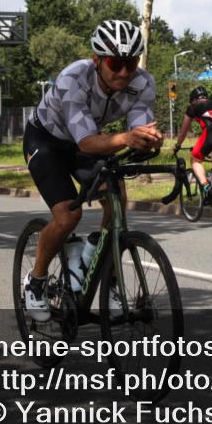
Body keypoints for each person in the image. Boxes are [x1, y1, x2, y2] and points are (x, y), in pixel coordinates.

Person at [22, 19, 163, 321]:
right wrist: (126, 138)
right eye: (115, 63)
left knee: (116, 199)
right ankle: (35, 281)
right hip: (46, 141)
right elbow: (86, 143)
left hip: (84, 142)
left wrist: (146, 141)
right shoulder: (74, 78)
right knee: (68, 215)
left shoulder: (143, 83)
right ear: (97, 59)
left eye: (131, 63)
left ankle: (99, 265)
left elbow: (137, 129)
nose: (124, 72)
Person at [173, 85, 212, 202]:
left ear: (193, 100)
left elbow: (183, 131)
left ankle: (206, 186)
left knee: (195, 159)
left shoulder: (193, 107)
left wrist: (178, 145)